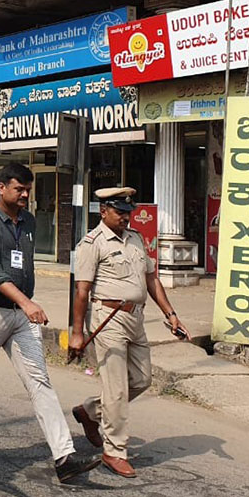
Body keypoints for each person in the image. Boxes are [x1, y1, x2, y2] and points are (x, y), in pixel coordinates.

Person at [0, 163, 100, 484]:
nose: (24, 195)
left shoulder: (29, 220)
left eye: (28, 190)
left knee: (40, 381)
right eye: (19, 189)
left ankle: (64, 457)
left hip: (20, 317)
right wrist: (27, 301)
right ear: (2, 187)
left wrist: (24, 303)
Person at [69, 187, 190, 478]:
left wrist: (171, 315)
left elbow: (151, 279)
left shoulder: (135, 238)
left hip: (135, 318)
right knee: (117, 387)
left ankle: (89, 411)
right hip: (107, 318)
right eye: (120, 212)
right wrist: (76, 333)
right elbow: (81, 291)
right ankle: (115, 451)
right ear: (103, 211)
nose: (126, 217)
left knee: (142, 379)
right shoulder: (91, 243)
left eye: (128, 212)